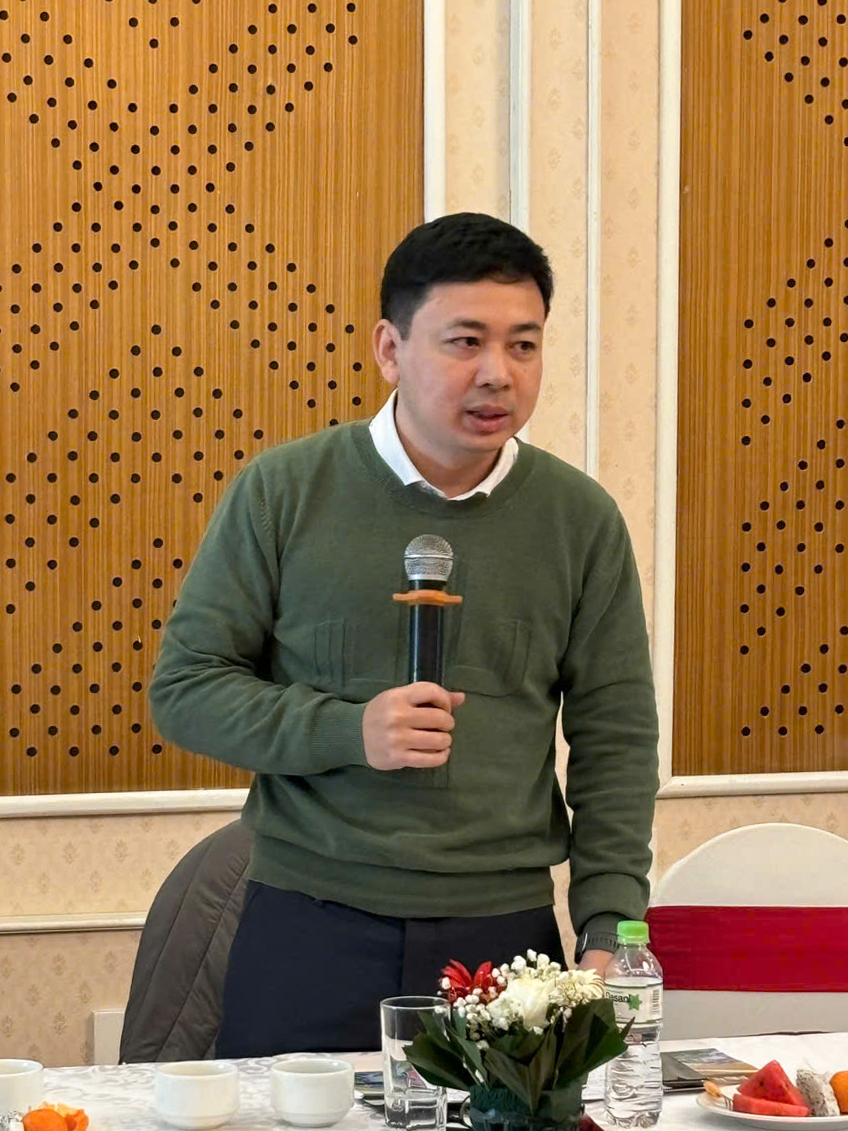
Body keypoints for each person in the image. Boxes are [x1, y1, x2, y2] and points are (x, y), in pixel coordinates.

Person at [148, 212, 659, 1056]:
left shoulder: (580, 519)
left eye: (524, 345)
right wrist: (348, 729)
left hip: (507, 935)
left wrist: (609, 924)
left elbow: (618, 737)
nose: (497, 373)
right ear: (390, 348)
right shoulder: (285, 491)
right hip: (308, 923)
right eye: (466, 342)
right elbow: (186, 690)